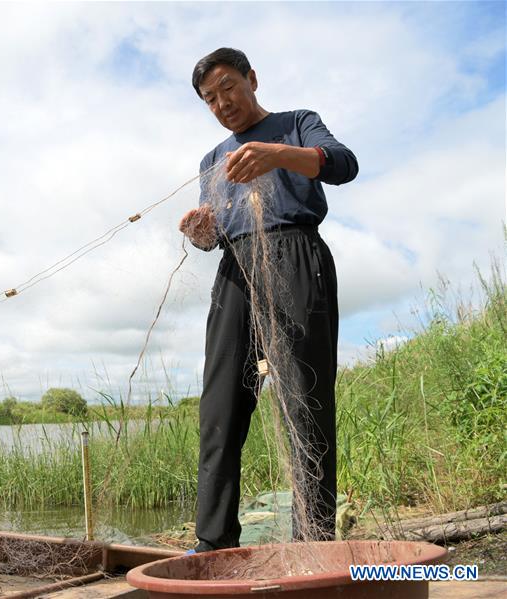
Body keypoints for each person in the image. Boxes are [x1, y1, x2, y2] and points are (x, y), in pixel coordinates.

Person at [179, 48, 358, 552]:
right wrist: (201, 231)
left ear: (251, 79)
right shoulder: (211, 160)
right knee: (219, 408)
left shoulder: (298, 123)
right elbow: (212, 232)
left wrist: (276, 153)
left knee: (306, 405)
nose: (222, 103)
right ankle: (214, 542)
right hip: (235, 268)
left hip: (297, 257)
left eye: (228, 87)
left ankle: (313, 543)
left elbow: (344, 164)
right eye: (210, 98)